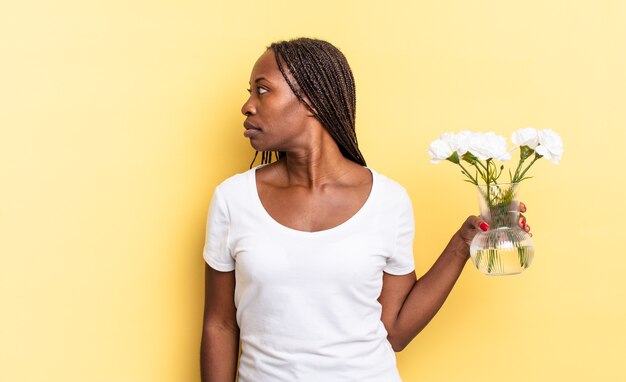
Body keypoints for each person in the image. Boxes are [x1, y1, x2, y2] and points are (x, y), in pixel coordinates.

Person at [200, 37, 531, 382]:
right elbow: (220, 325)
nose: (247, 106)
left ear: (311, 100)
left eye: (262, 91)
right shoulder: (234, 199)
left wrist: (463, 243)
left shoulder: (388, 201)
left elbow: (396, 332)